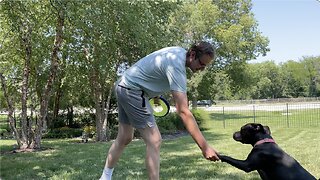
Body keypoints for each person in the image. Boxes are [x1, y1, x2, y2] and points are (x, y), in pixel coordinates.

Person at [99, 41, 220, 180]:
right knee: (154, 140)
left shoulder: (177, 52)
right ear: (192, 54)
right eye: (202, 64)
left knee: (125, 137)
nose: (202, 69)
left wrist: (155, 94)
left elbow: (153, 68)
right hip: (133, 91)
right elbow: (183, 111)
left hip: (122, 85)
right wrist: (205, 147)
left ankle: (105, 177)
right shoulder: (177, 66)